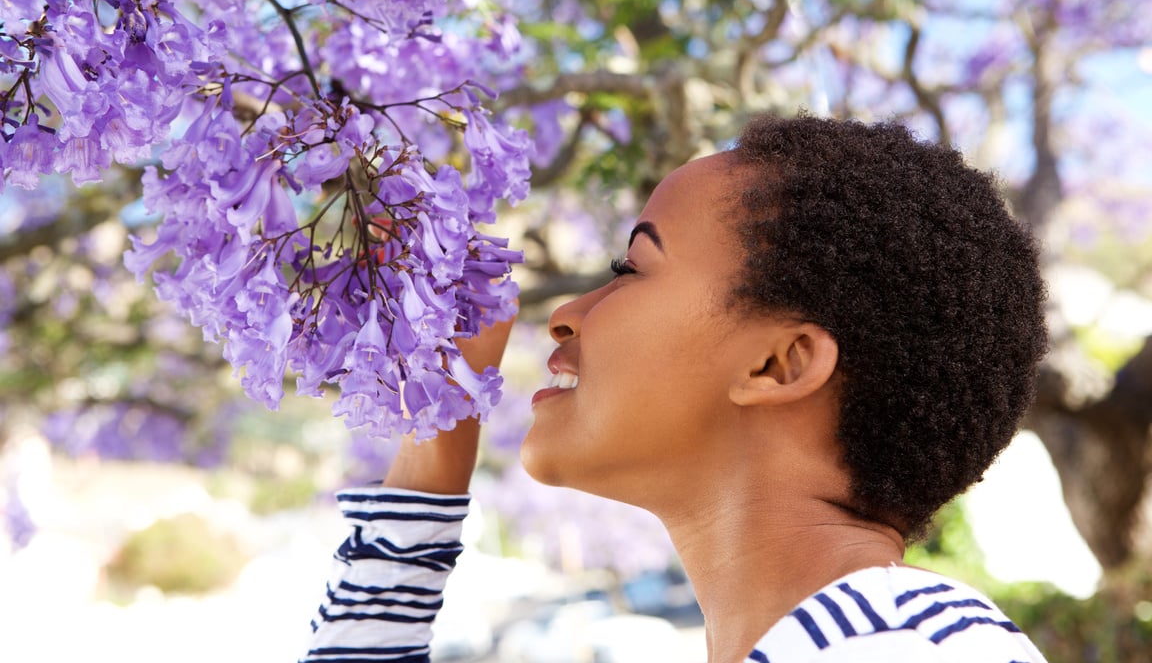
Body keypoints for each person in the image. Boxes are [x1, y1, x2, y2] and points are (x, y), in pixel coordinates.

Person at [299, 114, 1050, 662]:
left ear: (778, 365)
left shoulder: (900, 650)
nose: (564, 315)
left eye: (630, 268)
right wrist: (439, 430)